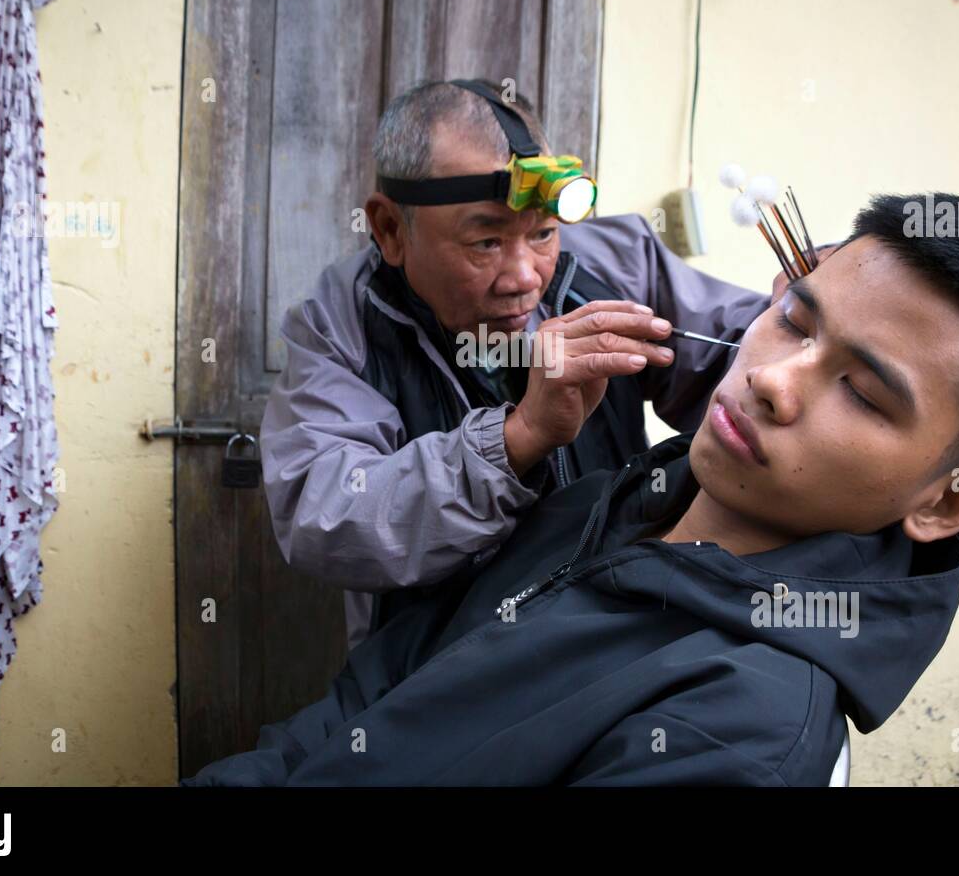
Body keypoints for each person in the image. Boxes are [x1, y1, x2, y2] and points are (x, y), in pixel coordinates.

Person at [184, 193, 959, 786]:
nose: (774, 378)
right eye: (789, 319)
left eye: (862, 390)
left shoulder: (733, 735)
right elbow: (363, 701)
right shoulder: (607, 505)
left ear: (946, 503)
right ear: (388, 230)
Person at [262, 78, 774, 646]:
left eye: (544, 233)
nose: (526, 277)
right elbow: (326, 516)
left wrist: (803, 320)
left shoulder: (616, 266)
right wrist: (518, 438)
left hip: (617, 631)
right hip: (440, 668)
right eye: (485, 242)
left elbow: (737, 355)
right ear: (389, 229)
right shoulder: (340, 329)